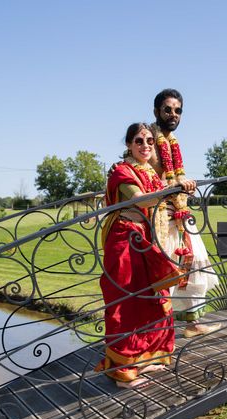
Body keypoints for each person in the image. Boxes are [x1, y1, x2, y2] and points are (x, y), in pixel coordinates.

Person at [96, 123, 182, 388]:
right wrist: (174, 188)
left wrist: (177, 186)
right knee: (127, 303)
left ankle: (144, 359)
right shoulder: (122, 171)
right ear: (128, 145)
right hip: (125, 239)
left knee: (151, 300)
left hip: (144, 238)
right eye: (139, 141)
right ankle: (122, 372)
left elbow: (161, 194)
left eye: (149, 141)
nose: (145, 146)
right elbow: (142, 200)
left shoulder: (149, 172)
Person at [149, 89, 221, 338]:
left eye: (178, 110)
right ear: (156, 111)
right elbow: (144, 177)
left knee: (195, 264)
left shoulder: (173, 144)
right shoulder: (148, 140)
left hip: (179, 212)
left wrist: (182, 186)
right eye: (168, 109)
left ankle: (193, 323)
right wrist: (175, 186)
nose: (173, 114)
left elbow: (174, 177)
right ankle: (157, 333)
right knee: (164, 272)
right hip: (158, 216)